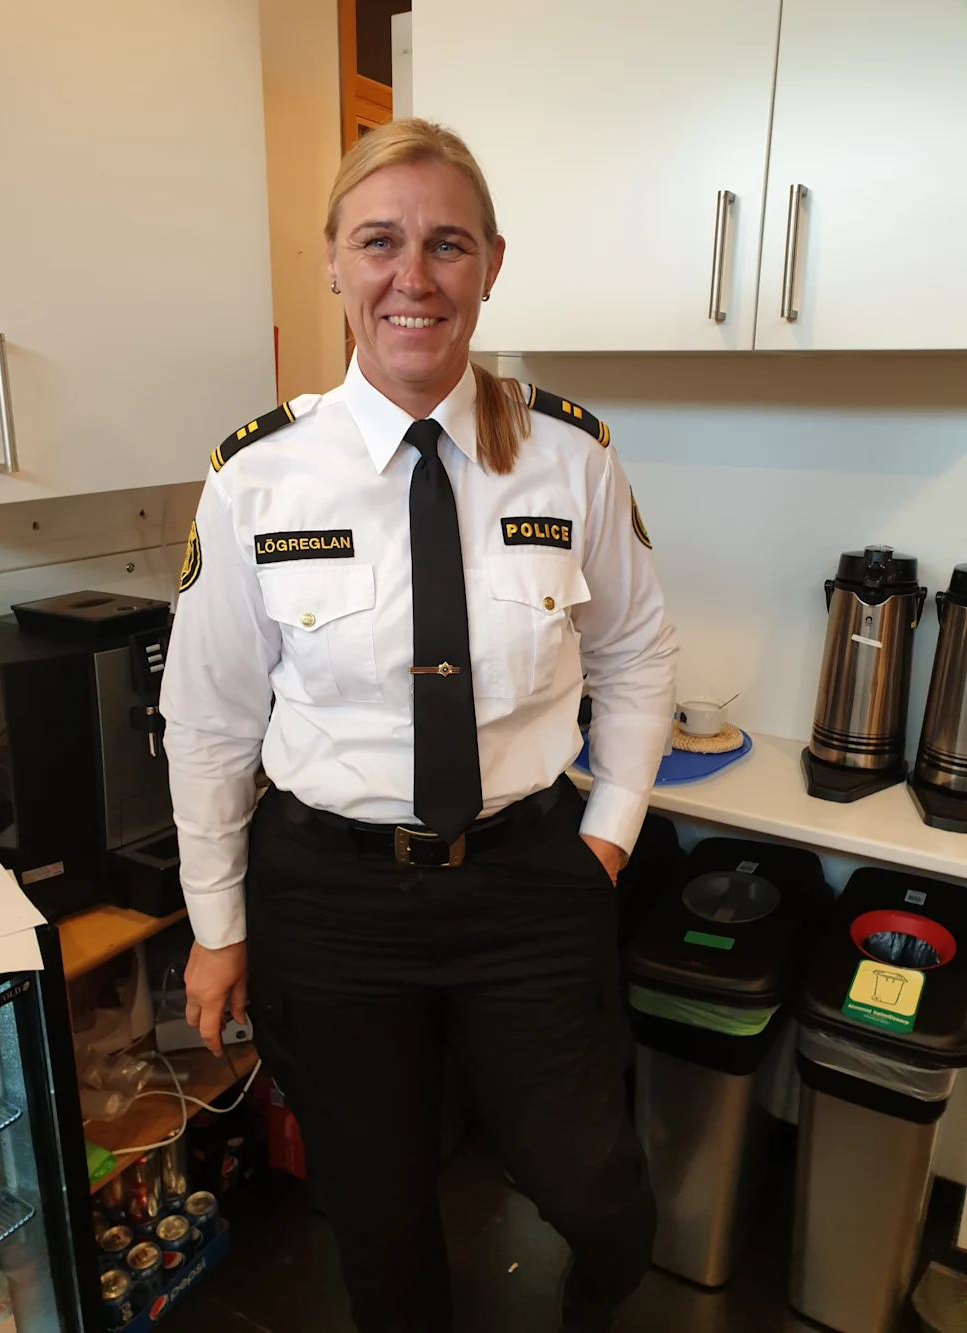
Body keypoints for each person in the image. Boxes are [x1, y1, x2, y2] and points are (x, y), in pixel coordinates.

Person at [160, 117, 677, 1333]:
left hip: (526, 878)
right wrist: (218, 925)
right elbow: (211, 718)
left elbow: (637, 653)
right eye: (378, 241)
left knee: (591, 1183)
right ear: (333, 262)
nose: (413, 276)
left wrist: (606, 832)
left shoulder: (570, 459)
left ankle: (599, 1292)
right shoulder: (258, 477)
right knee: (377, 1216)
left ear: (490, 264)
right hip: (330, 897)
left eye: (446, 244)